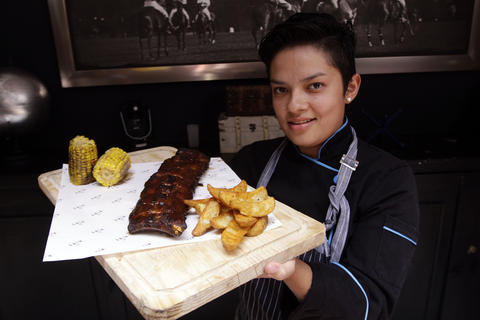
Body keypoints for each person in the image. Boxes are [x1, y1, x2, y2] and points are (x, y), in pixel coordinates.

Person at [229, 13, 419, 320]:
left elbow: (370, 304)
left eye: (314, 86)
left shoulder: (386, 181)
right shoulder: (251, 161)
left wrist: (290, 269)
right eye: (281, 89)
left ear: (350, 88)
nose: (294, 105)